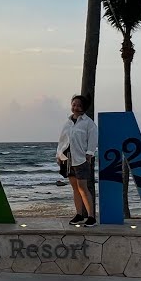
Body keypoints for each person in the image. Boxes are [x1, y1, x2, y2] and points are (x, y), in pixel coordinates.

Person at [57, 95, 98, 227]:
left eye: (79, 105)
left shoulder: (88, 123)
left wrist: (89, 154)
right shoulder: (68, 123)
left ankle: (91, 216)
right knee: (75, 188)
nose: (75, 107)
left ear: (84, 107)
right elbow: (62, 140)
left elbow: (92, 139)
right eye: (74, 104)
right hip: (68, 158)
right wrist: (59, 155)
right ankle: (79, 215)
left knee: (83, 188)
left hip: (81, 159)